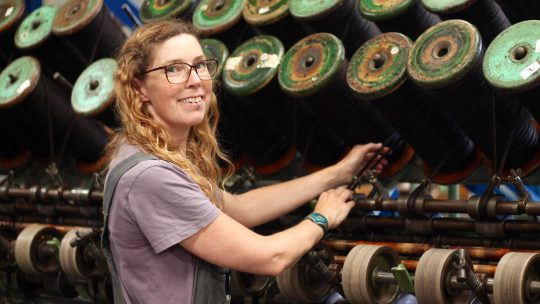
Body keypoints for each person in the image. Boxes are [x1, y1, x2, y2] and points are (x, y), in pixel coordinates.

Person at [102, 19, 387, 304]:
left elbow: (240, 208)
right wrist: (323, 217)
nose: (195, 80)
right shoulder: (150, 176)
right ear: (139, 88)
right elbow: (271, 257)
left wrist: (337, 173)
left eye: (200, 65)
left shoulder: (143, 153)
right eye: (173, 69)